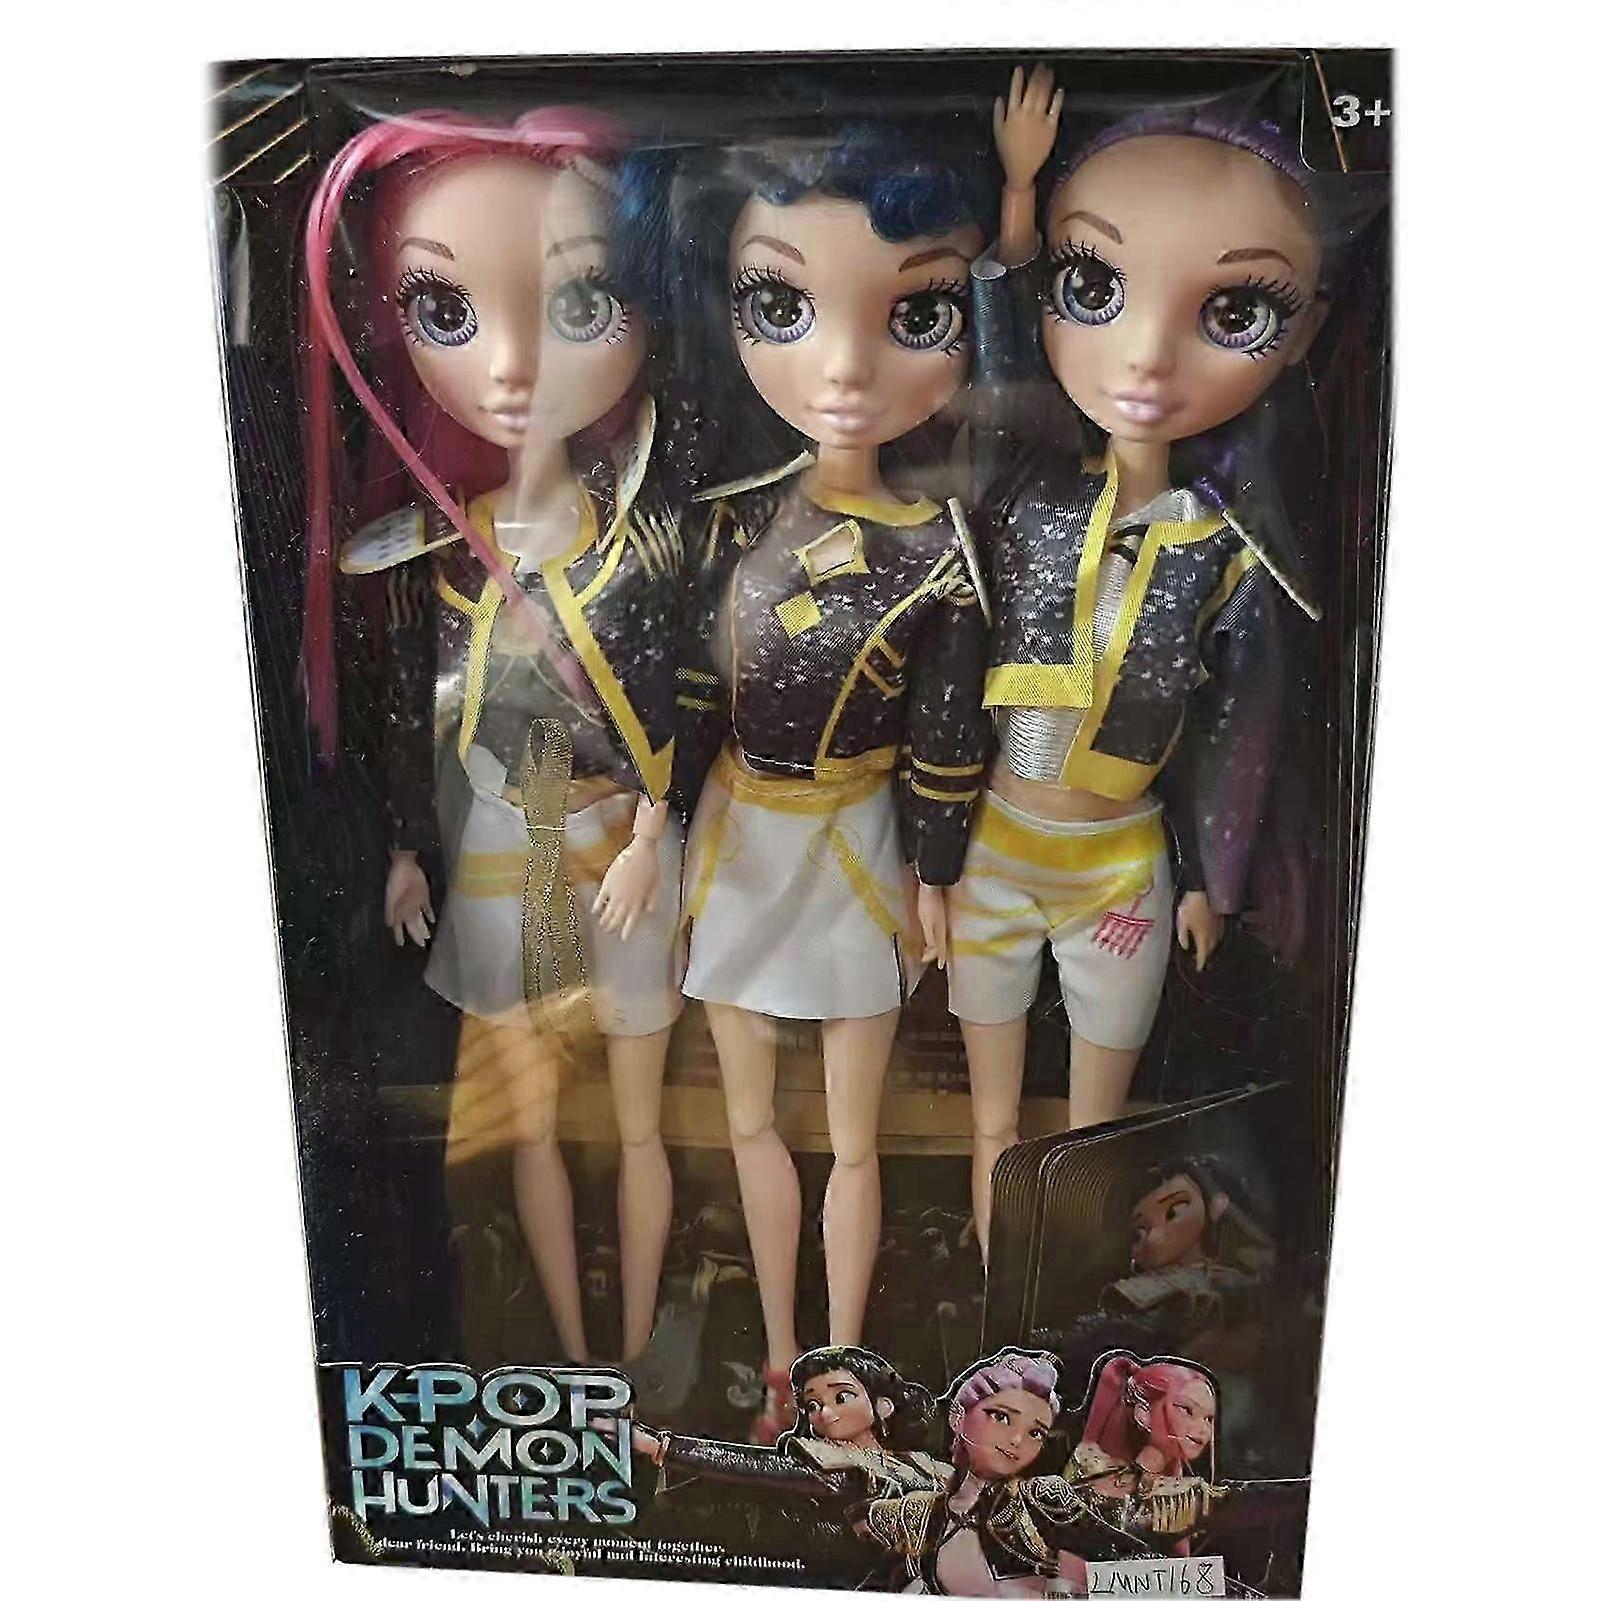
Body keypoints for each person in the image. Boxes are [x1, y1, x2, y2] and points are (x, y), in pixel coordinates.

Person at [302, 107, 689, 1366]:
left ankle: (633, 1350)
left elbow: (683, 701)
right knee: (530, 1120)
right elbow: (403, 715)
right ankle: (574, 1357)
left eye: (580, 303)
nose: (514, 366)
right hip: (493, 845)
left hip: (616, 847)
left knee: (638, 1117)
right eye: (446, 310)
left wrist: (655, 828)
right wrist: (402, 849)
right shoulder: (426, 553)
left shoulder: (644, 541)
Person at [956, 66, 1336, 1255]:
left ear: (1302, 328)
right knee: (990, 1118)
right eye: (1094, 287)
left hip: (1118, 860)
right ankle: (989, 1315)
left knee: (1090, 1130)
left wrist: (1212, 876)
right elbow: (994, 384)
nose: (1144, 358)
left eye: (1233, 313)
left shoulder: (1223, 552)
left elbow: (1238, 729)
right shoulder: (1026, 495)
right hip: (990, 842)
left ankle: (1058, 1315)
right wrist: (1017, 209)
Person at [664, 123, 993, 1435]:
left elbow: (946, 736)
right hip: (741, 833)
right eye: (783, 307)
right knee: (749, 1118)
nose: (844, 368)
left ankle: (845, 1366)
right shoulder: (736, 514)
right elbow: (691, 698)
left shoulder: (938, 549)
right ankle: (779, 1354)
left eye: (913, 314)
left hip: (855, 842)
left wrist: (938, 875)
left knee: (856, 1134)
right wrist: (651, 832)